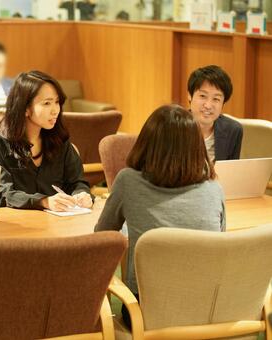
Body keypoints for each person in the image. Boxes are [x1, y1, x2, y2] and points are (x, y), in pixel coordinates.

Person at [94, 104, 225, 327]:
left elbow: (102, 237)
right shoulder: (214, 188)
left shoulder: (127, 181)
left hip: (146, 313)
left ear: (146, 143)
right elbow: (220, 243)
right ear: (196, 147)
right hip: (207, 309)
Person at [0, 70, 93, 211]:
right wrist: (43, 201)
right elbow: (1, 194)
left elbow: (77, 182)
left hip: (61, 225)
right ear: (25, 108)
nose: (55, 110)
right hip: (19, 226)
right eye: (47, 103)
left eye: (57, 102)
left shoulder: (60, 140)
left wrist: (81, 194)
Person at [188, 65, 243, 161]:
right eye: (202, 96)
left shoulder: (233, 130)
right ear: (189, 95)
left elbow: (232, 172)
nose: (208, 105)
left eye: (216, 99)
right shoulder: (169, 127)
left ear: (223, 103)